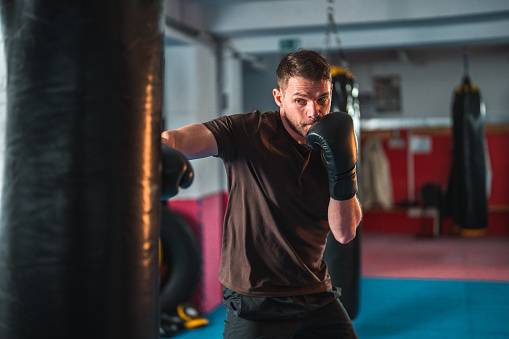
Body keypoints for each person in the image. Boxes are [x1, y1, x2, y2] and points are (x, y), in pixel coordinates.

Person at [161, 49, 362, 338]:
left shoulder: (334, 143)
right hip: (256, 299)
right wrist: (154, 152)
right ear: (279, 98)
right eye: (300, 101)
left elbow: (344, 233)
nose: (313, 112)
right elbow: (178, 139)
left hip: (315, 293)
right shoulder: (248, 132)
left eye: (322, 100)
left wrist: (343, 171)